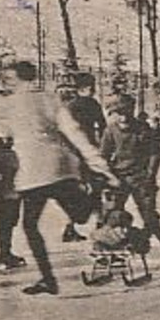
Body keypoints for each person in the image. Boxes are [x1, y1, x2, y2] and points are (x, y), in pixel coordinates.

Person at [0, 61, 119, 296]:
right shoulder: (50, 100)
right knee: (79, 214)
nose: (7, 82)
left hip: (34, 173)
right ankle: (99, 208)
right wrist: (101, 167)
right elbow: (75, 134)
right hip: (58, 168)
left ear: (20, 79)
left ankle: (49, 279)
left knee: (30, 225)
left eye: (10, 78)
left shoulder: (11, 103)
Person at [100, 91, 160, 267]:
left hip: (141, 179)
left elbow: (155, 153)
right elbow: (103, 156)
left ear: (132, 111)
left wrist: (150, 176)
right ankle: (108, 251)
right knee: (111, 215)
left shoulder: (143, 129)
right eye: (118, 113)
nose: (123, 117)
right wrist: (108, 178)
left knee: (149, 216)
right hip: (120, 179)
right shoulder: (111, 130)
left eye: (126, 112)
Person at [62, 74, 109, 242]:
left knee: (81, 190)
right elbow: (103, 127)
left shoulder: (70, 106)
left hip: (74, 152)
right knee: (95, 187)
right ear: (83, 88)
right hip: (86, 150)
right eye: (91, 87)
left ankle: (71, 226)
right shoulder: (91, 104)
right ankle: (99, 223)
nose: (93, 89)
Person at [0, 124, 27, 271]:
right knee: (5, 224)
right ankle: (4, 254)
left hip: (13, 194)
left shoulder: (8, 154)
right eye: (7, 139)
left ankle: (6, 252)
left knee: (9, 224)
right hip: (7, 195)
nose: (10, 142)